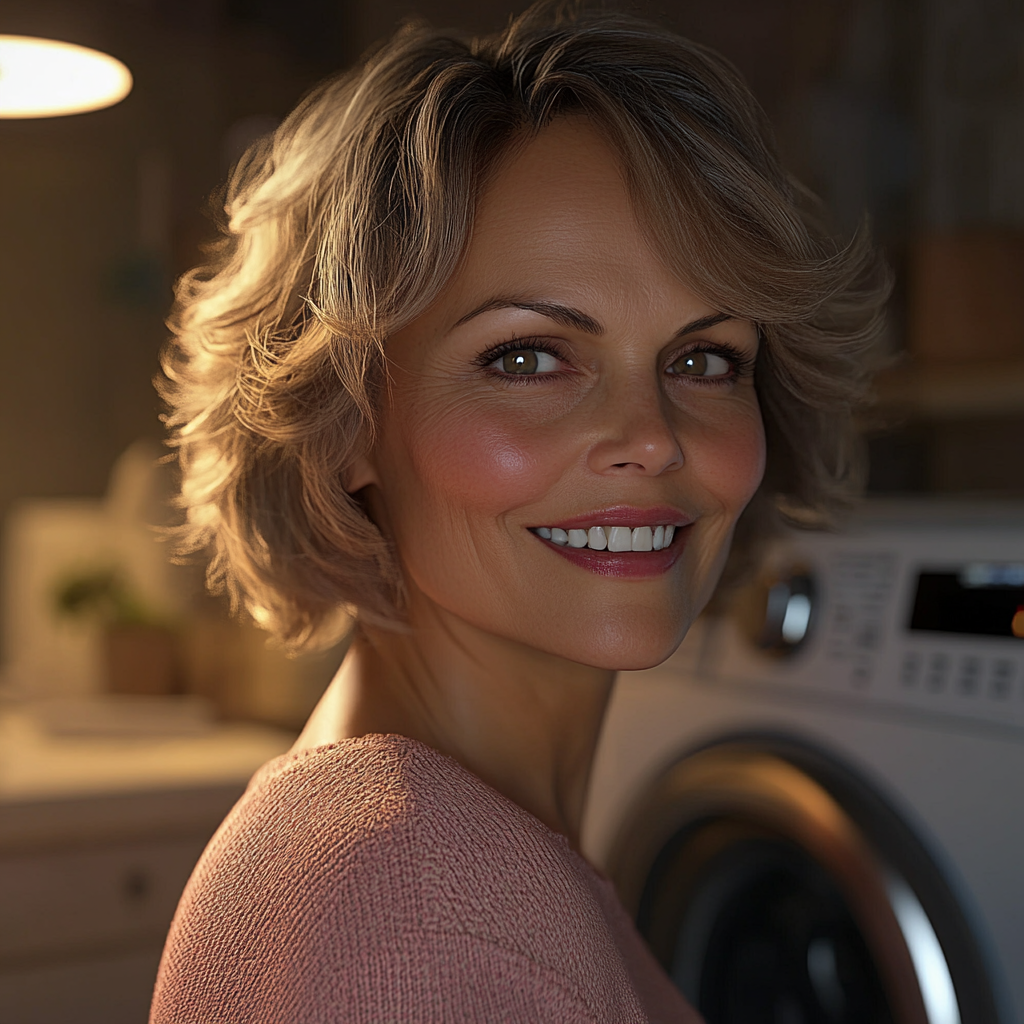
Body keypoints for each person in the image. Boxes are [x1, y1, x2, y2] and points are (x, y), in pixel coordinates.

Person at [149, 4, 889, 1022]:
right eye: (527, 356)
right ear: (348, 423)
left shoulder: (441, 856)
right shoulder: (414, 912)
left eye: (703, 358)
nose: (652, 434)